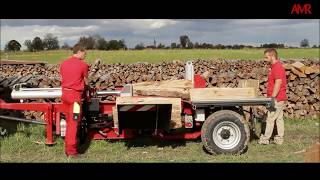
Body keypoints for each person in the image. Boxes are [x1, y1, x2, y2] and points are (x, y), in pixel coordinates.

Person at [59, 44, 89, 157]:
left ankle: (67, 148)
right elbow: (86, 82)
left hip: (65, 96)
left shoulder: (63, 64)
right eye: (85, 52)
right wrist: (88, 88)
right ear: (80, 51)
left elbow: (64, 78)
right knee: (74, 123)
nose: (85, 55)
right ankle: (72, 152)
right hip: (75, 99)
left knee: (68, 122)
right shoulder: (83, 65)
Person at [259, 48, 287, 145]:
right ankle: (279, 139)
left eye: (266, 57)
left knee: (270, 118)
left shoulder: (277, 67)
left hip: (277, 98)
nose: (265, 59)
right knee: (279, 119)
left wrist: (273, 97)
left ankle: (265, 139)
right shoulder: (274, 67)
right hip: (279, 98)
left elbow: (278, 83)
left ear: (272, 56)